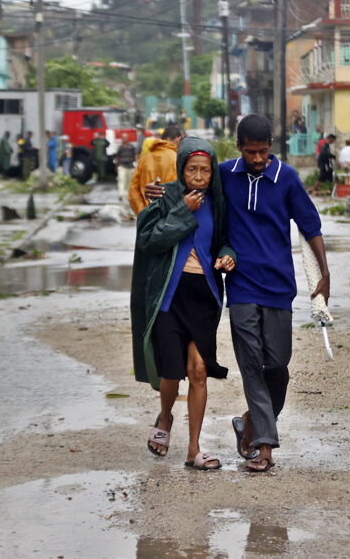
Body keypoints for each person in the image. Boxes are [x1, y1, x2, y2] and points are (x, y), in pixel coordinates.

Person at [146, 114, 330, 472]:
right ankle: (264, 446)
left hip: (279, 288)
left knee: (277, 365)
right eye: (250, 152)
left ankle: (249, 422)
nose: (257, 159)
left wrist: (325, 273)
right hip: (242, 287)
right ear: (239, 147)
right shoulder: (226, 176)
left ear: (270, 148)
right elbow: (189, 184)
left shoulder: (287, 179)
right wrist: (160, 192)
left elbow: (311, 226)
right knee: (251, 367)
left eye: (262, 152)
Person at [131, 137, 236, 470]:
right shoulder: (166, 198)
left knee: (199, 370)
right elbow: (149, 240)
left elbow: (225, 241)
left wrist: (227, 256)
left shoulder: (219, 203)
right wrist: (181, 211)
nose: (199, 176)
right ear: (181, 168)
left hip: (203, 296)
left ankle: (193, 449)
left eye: (205, 170)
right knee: (171, 373)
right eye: (192, 169)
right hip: (170, 295)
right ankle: (165, 417)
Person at [129, 126, 182, 214]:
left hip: (147, 215)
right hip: (170, 217)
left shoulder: (144, 159)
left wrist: (142, 212)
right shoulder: (177, 159)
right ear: (178, 139)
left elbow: (133, 191)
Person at [115, 138, 138, 206]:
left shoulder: (131, 146)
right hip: (122, 165)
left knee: (130, 182)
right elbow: (117, 157)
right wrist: (116, 166)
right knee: (121, 180)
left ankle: (129, 195)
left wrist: (136, 163)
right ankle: (121, 195)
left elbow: (135, 155)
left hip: (130, 166)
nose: (124, 139)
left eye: (125, 138)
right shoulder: (120, 147)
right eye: (123, 138)